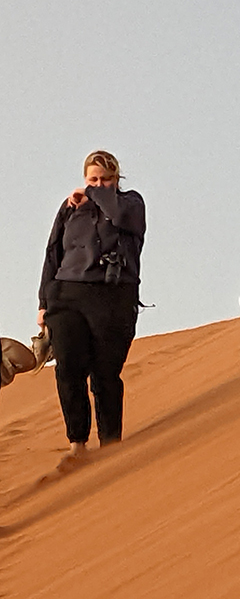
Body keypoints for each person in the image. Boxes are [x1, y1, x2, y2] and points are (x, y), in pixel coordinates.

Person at [37, 150, 146, 466]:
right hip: (67, 294)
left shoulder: (131, 204)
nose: (98, 184)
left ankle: (110, 443)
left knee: (105, 374)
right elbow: (52, 253)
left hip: (114, 296)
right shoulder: (70, 209)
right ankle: (77, 444)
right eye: (92, 179)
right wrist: (43, 303)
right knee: (68, 367)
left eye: (105, 179)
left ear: (116, 179)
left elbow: (119, 215)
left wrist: (92, 194)